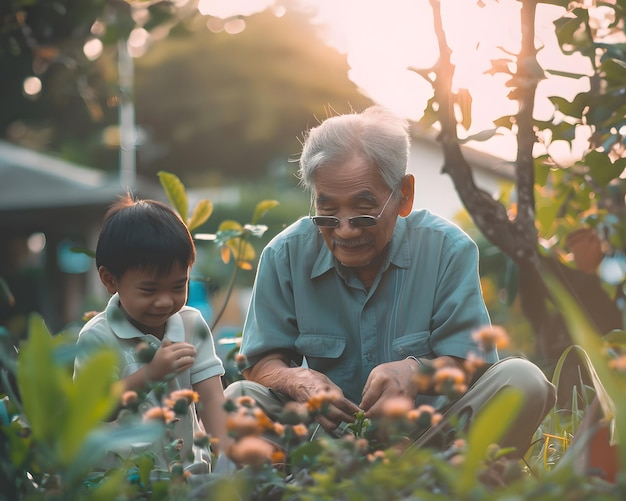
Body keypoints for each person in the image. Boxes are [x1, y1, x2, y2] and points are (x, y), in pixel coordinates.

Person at [225, 105, 556, 457]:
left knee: (524, 380)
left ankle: (458, 484)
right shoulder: (285, 255)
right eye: (328, 211)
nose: (346, 229)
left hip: (431, 441)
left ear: (404, 195)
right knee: (238, 400)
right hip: (324, 443)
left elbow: (472, 362)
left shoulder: (448, 250)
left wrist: (417, 372)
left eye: (363, 209)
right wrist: (296, 379)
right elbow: (260, 362)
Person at [73, 195, 231, 474]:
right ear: (110, 280)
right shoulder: (97, 337)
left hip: (188, 477)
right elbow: (93, 409)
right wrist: (150, 374)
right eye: (149, 290)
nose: (165, 301)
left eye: (177, 286)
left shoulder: (192, 325)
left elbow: (213, 402)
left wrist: (230, 462)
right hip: (120, 482)